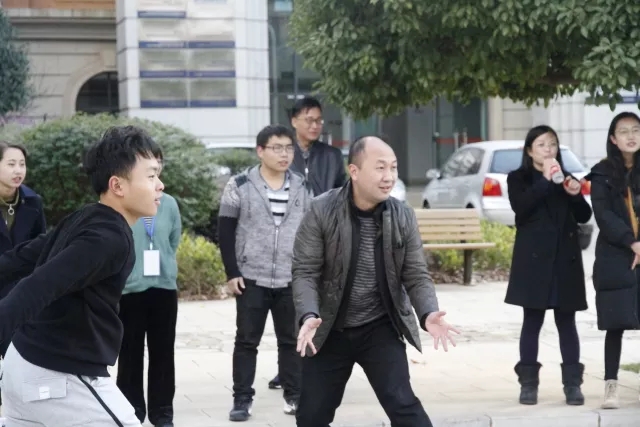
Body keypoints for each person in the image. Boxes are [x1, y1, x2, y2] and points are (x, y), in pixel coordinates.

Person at [0, 125, 164, 426]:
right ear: (117, 185)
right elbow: (37, 285)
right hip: (56, 374)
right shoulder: (107, 238)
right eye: (151, 176)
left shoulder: (86, 217)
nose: (160, 185)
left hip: (24, 365)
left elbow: (19, 259)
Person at [292, 136, 459, 427]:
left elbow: (416, 274)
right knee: (311, 415)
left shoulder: (402, 215)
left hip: (379, 327)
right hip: (328, 328)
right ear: (354, 171)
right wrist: (308, 314)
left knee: (404, 406)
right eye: (380, 168)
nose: (389, 177)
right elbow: (305, 271)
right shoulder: (321, 210)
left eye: (393, 168)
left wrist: (428, 312)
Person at [218, 124, 309, 422]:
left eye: (289, 148)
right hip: (251, 277)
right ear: (260, 151)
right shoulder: (239, 185)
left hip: (290, 277)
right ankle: (242, 399)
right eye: (277, 148)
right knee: (246, 341)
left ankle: (294, 396)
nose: (284, 154)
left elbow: (311, 233)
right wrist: (232, 272)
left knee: (291, 340)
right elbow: (225, 230)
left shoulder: (302, 186)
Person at [505, 125, 592, 406]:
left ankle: (573, 385)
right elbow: (521, 208)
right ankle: (528, 385)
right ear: (530, 151)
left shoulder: (565, 178)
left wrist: (575, 193)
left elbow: (583, 215)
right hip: (534, 261)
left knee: (567, 322)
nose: (548, 149)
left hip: (565, 260)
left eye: (552, 144)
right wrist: (544, 180)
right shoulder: (517, 178)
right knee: (532, 321)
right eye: (542, 144)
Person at [268, 96, 347, 390]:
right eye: (309, 120)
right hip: (292, 237)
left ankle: (320, 364)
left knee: (324, 303)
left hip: (327, 235)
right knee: (292, 305)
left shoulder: (332, 156)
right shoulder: (285, 154)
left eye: (319, 120)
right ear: (294, 121)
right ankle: (289, 370)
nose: (315, 125)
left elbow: (342, 193)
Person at [587, 112, 640, 409]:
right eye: (624, 131)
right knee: (615, 324)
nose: (631, 136)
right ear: (613, 138)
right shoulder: (602, 174)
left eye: (636, 130)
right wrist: (632, 242)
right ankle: (611, 386)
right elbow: (604, 215)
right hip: (616, 255)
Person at [116, 191, 182, 427]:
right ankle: (130, 410)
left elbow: (173, 240)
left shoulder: (169, 204)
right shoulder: (126, 200)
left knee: (163, 353)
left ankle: (162, 412)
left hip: (163, 287)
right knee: (129, 353)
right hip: (130, 290)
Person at [0, 141, 47, 370]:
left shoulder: (33, 202)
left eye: (22, 164)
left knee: (18, 365)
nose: (18, 170)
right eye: (11, 164)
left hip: (20, 295)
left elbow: (41, 247)